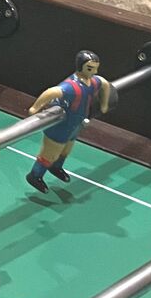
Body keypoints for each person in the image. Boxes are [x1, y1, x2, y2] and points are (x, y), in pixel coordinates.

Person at [24, 50, 111, 193]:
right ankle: (35, 175)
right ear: (80, 67)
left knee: (66, 150)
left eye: (96, 69)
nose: (94, 72)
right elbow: (52, 92)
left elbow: (105, 84)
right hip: (61, 125)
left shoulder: (93, 82)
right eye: (90, 69)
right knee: (50, 153)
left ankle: (56, 167)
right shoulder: (71, 86)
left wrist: (104, 105)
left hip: (75, 124)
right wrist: (35, 108)